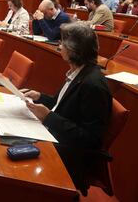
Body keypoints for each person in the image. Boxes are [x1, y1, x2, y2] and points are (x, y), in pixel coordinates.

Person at [23, 22, 112, 192]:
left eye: (62, 43)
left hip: (69, 154)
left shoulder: (93, 85)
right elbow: (60, 105)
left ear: (74, 50)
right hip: (55, 136)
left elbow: (91, 139)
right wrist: (40, 96)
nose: (59, 45)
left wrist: (48, 116)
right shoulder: (78, 71)